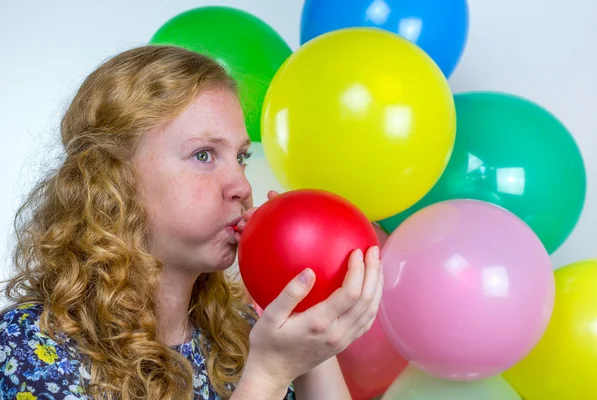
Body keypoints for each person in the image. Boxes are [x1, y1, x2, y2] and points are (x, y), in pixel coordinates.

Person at [0, 45, 383, 399]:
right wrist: (267, 375)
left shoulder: (244, 331)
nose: (242, 185)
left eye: (241, 157)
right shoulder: (31, 345)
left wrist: (311, 334)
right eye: (203, 155)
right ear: (113, 180)